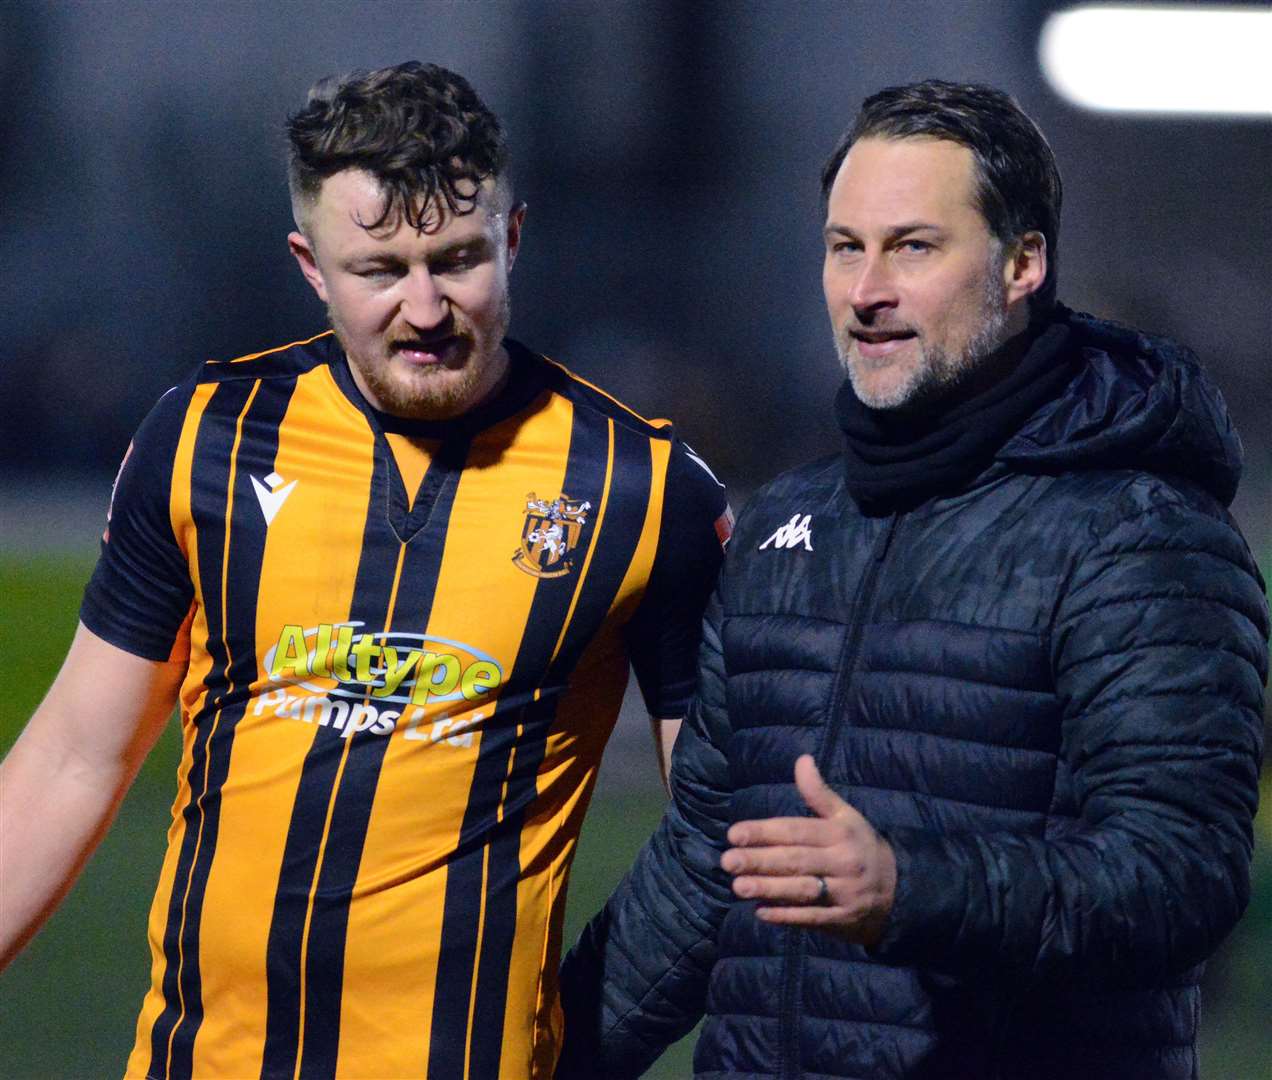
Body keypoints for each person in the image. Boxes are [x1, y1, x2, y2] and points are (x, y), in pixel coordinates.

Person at [0, 61, 729, 1079]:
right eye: (381, 270)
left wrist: (582, 1040)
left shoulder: (644, 491)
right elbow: (73, 758)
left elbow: (724, 828)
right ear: (311, 264)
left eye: (458, 259)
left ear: (513, 242)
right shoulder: (208, 439)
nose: (425, 307)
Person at [557, 79, 1268, 1080]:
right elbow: (706, 865)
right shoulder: (786, 528)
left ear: (1023, 263)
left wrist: (909, 890)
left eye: (913, 246)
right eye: (846, 246)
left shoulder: (1141, 533)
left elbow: (1177, 880)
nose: (866, 290)